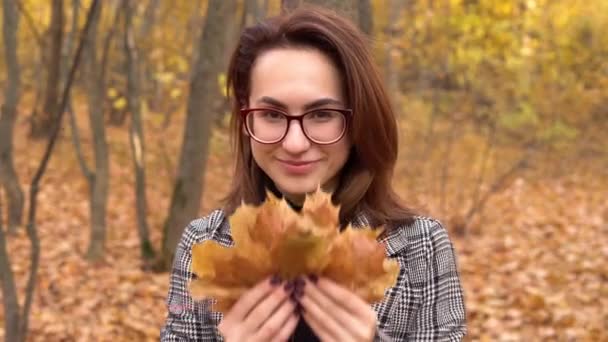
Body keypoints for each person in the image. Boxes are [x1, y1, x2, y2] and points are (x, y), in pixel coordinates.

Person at [161, 6, 466, 342]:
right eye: (272, 114)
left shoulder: (420, 246)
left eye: (321, 114)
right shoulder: (204, 244)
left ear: (358, 121)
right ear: (246, 119)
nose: (294, 143)